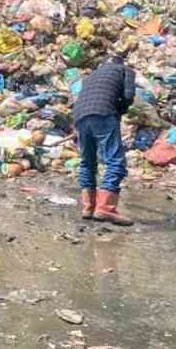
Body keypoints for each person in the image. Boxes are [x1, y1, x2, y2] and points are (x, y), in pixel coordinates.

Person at [73, 51, 136, 226]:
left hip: (79, 115)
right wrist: (120, 111)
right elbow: (129, 95)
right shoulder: (125, 70)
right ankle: (106, 209)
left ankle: (88, 207)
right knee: (116, 161)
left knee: (87, 161)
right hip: (103, 113)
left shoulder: (90, 76)